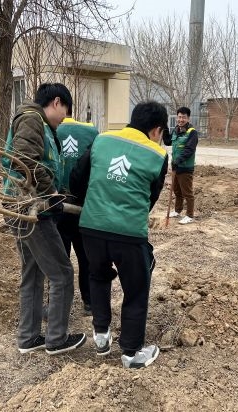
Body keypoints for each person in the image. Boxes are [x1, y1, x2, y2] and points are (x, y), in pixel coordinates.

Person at [70, 100, 168, 368]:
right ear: (156, 130)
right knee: (136, 288)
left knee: (98, 276)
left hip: (91, 226)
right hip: (128, 233)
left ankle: (101, 337)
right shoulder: (157, 155)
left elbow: (78, 178)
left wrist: (93, 203)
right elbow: (151, 197)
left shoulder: (102, 140)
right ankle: (131, 353)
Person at [2, 83, 86, 355]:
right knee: (62, 274)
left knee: (33, 272)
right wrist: (51, 193)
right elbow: (24, 161)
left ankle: (28, 338)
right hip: (31, 209)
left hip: (25, 207)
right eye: (66, 111)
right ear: (57, 102)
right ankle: (57, 339)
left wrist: (59, 194)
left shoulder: (42, 125)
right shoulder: (32, 119)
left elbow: (42, 164)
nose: (65, 118)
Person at [55, 114, 99, 316]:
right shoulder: (93, 132)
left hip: (57, 202)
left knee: (60, 259)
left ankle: (58, 306)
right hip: (83, 204)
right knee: (86, 257)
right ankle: (89, 302)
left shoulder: (54, 130)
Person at [163, 106, 199, 224]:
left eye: (183, 117)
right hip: (176, 167)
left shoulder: (192, 132)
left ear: (188, 118)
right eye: (179, 117)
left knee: (187, 193)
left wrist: (178, 160)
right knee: (177, 191)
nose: (181, 119)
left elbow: (189, 150)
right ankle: (177, 210)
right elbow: (168, 141)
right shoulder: (176, 130)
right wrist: (164, 128)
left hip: (185, 168)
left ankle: (189, 215)